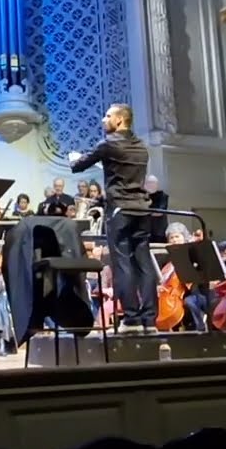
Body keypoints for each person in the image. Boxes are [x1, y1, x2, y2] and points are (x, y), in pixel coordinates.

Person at [68, 103, 155, 333]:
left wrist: (72, 158)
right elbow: (127, 180)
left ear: (119, 120)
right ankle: (150, 320)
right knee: (144, 264)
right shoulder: (142, 147)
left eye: (107, 116)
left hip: (121, 212)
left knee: (123, 263)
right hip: (142, 210)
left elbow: (78, 166)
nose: (102, 120)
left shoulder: (108, 144)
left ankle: (132, 319)